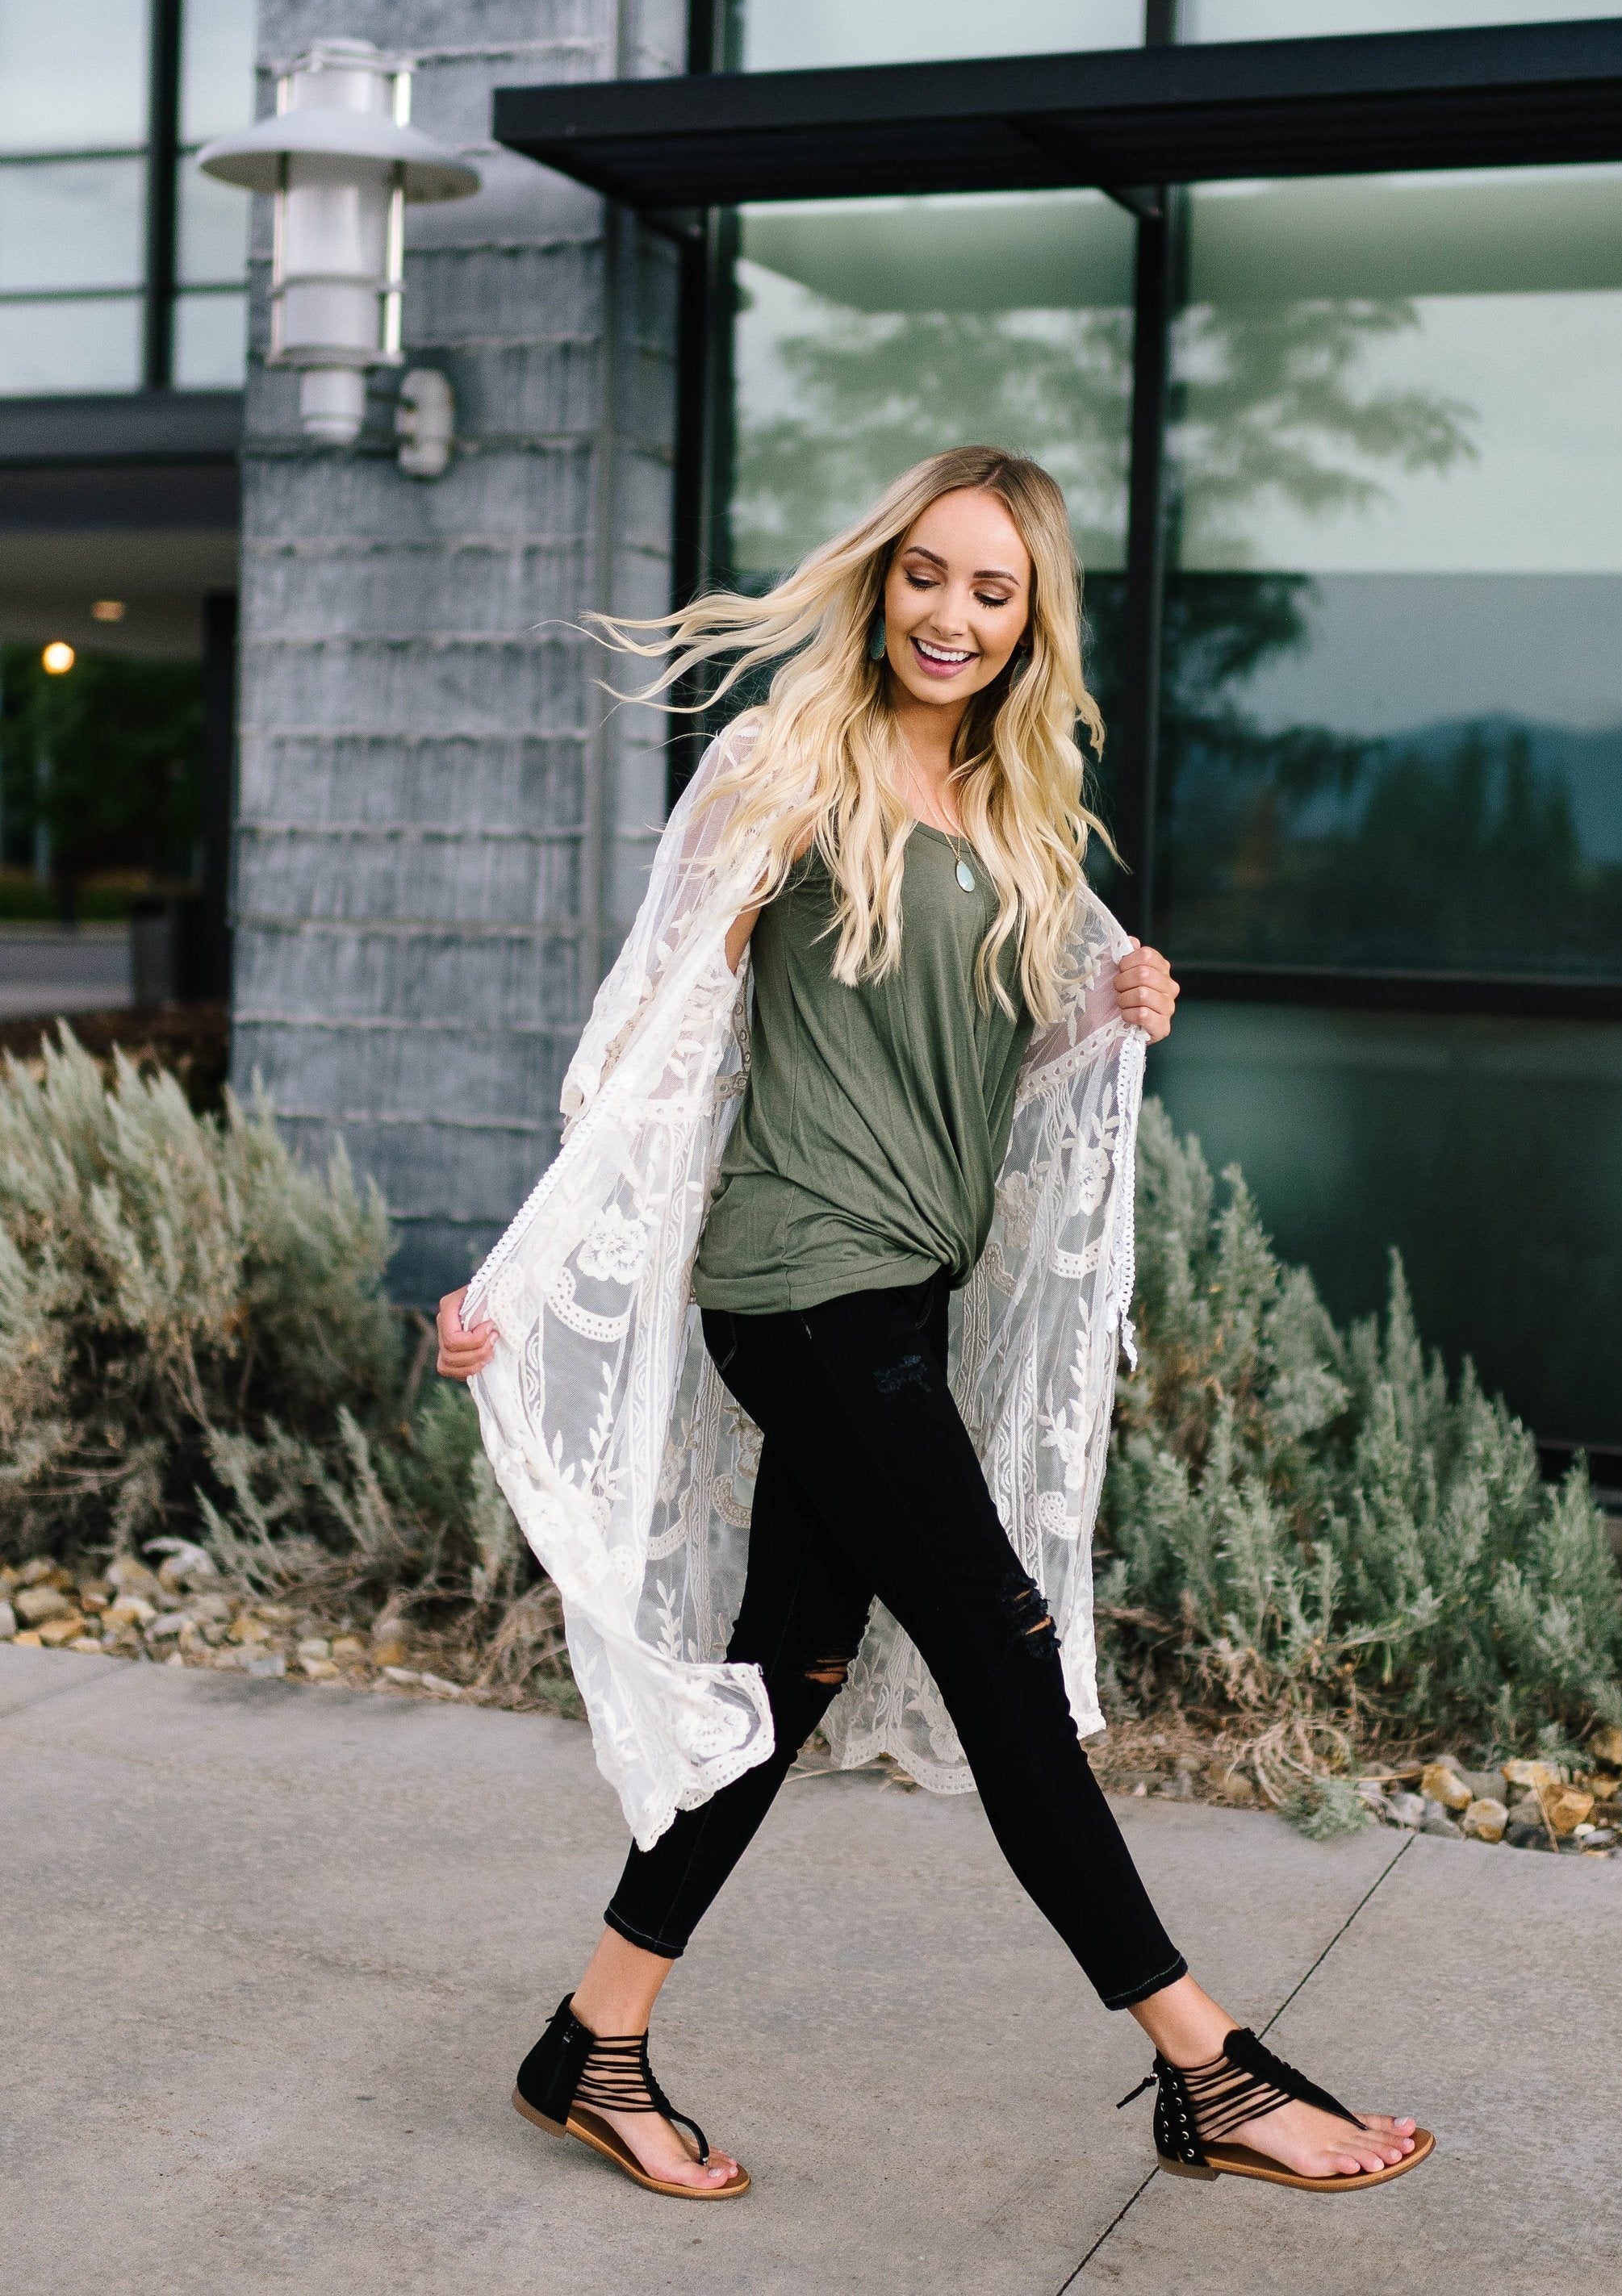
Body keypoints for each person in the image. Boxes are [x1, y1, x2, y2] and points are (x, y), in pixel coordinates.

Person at [434, 447, 1431, 2205]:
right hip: (797, 1287)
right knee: (997, 1646)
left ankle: (590, 2042)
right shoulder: (782, 765)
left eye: (992, 590)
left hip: (895, 1289)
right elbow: (655, 1029)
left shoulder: (1020, 810)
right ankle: (1207, 2065)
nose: (950, 617)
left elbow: (968, 1077)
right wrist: (525, 1270)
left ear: (1029, 616)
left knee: (788, 1675)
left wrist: (1103, 1005)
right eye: (925, 576)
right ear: (879, 576)